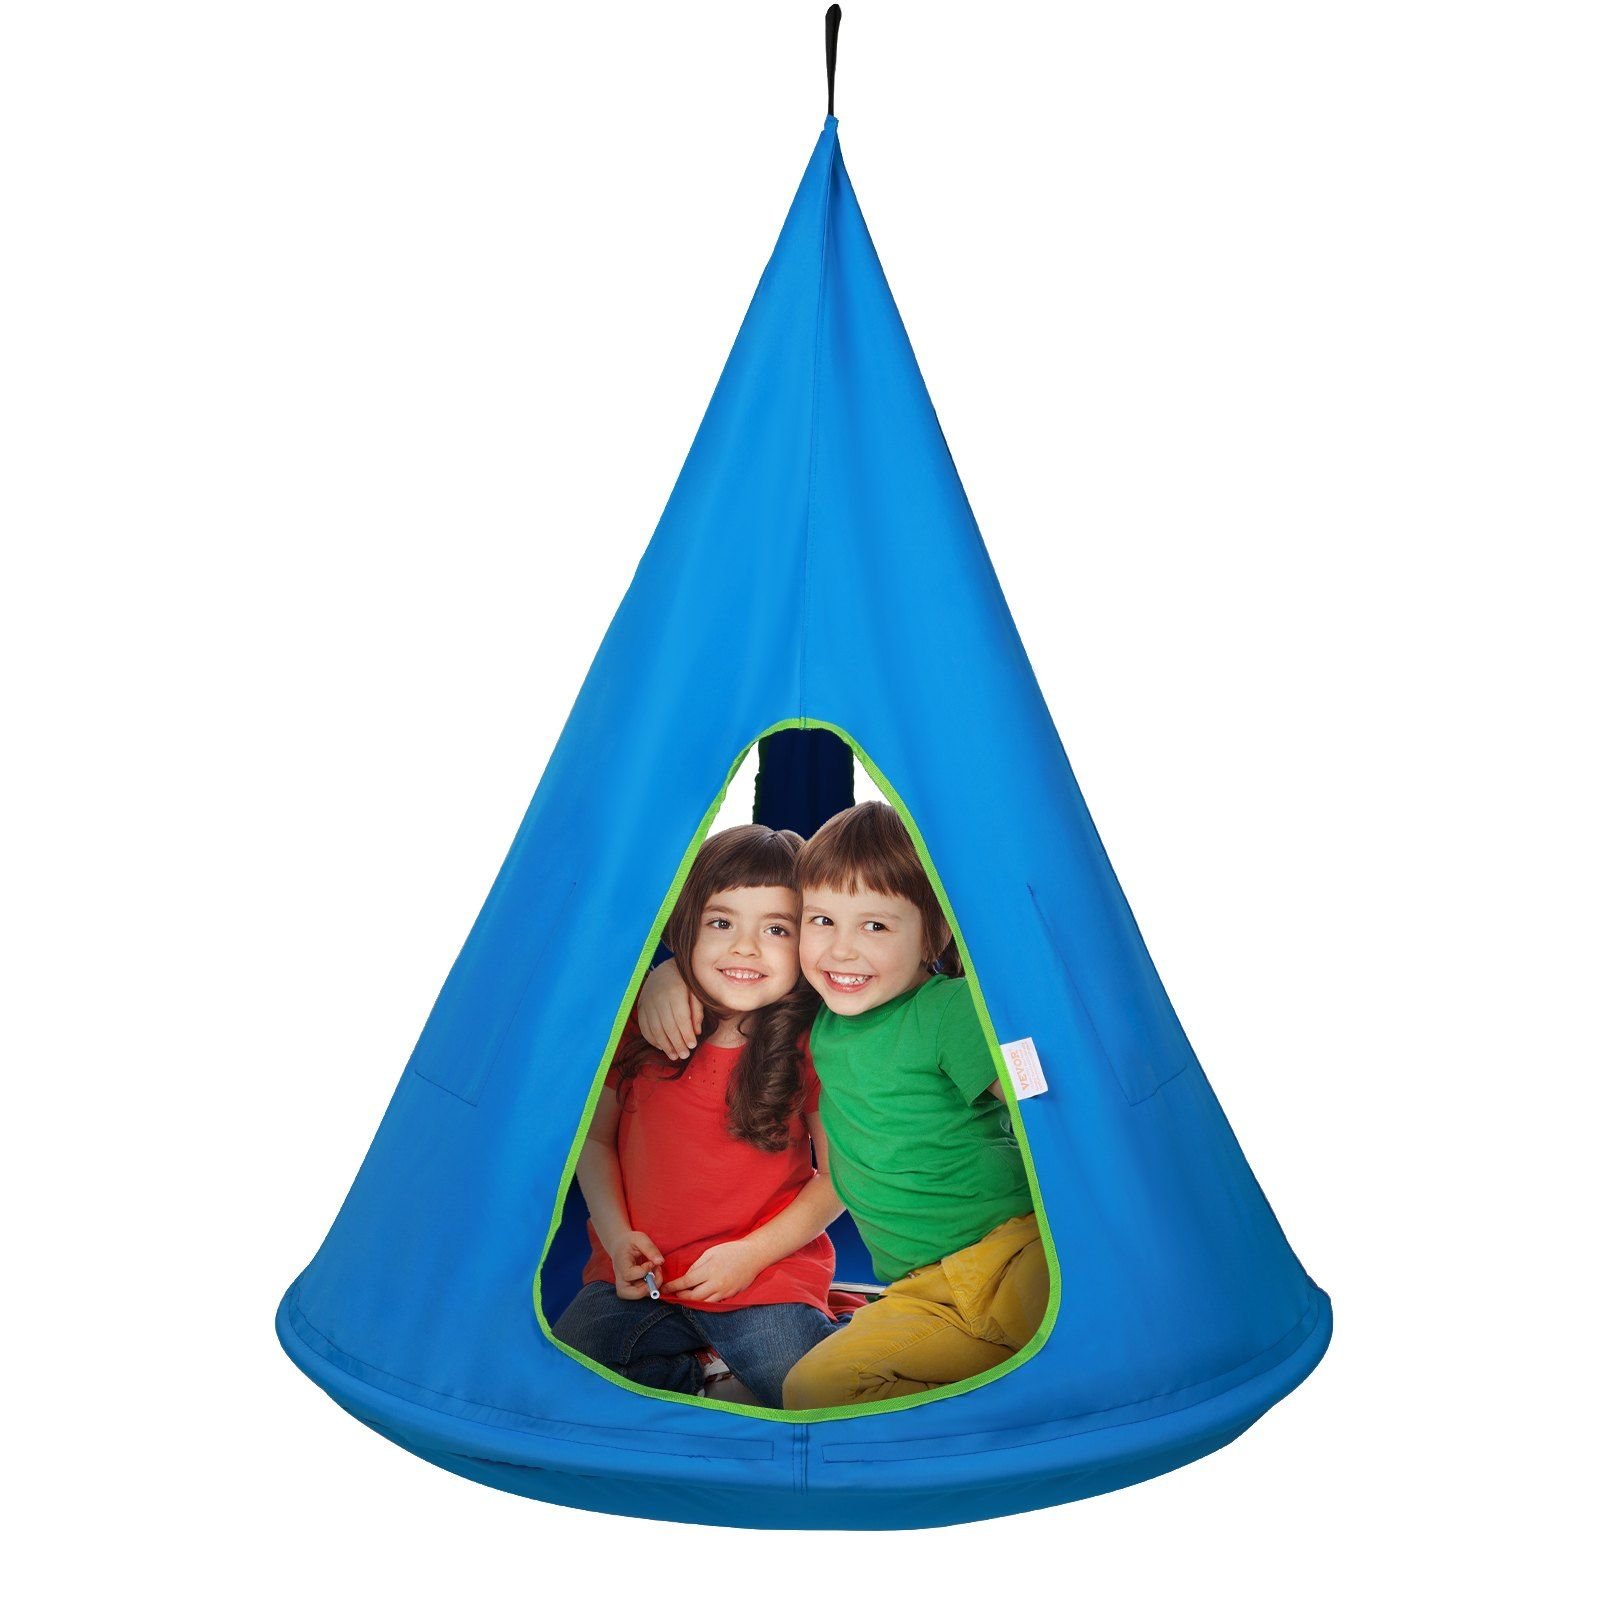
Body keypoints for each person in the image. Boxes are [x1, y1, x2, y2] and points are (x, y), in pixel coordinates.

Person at [637, 802, 1046, 1408]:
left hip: (1010, 1256)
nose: (842, 951)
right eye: (822, 920)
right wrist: (668, 975)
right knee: (811, 1391)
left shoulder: (948, 1010)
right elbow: (749, 972)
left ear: (934, 934)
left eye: (875, 926)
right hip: (922, 1292)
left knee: (1085, 1361)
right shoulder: (821, 1011)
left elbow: (1044, 1103)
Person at [551, 825, 845, 1409]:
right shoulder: (638, 1022)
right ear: (687, 928)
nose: (745, 947)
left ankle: (802, 1338)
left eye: (777, 929)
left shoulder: (813, 1042)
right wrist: (616, 1237)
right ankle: (707, 1369)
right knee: (568, 1376)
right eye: (720, 923)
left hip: (762, 1276)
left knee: (808, 1390)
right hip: (643, 1277)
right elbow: (595, 1141)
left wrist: (752, 1255)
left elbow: (841, 1177)